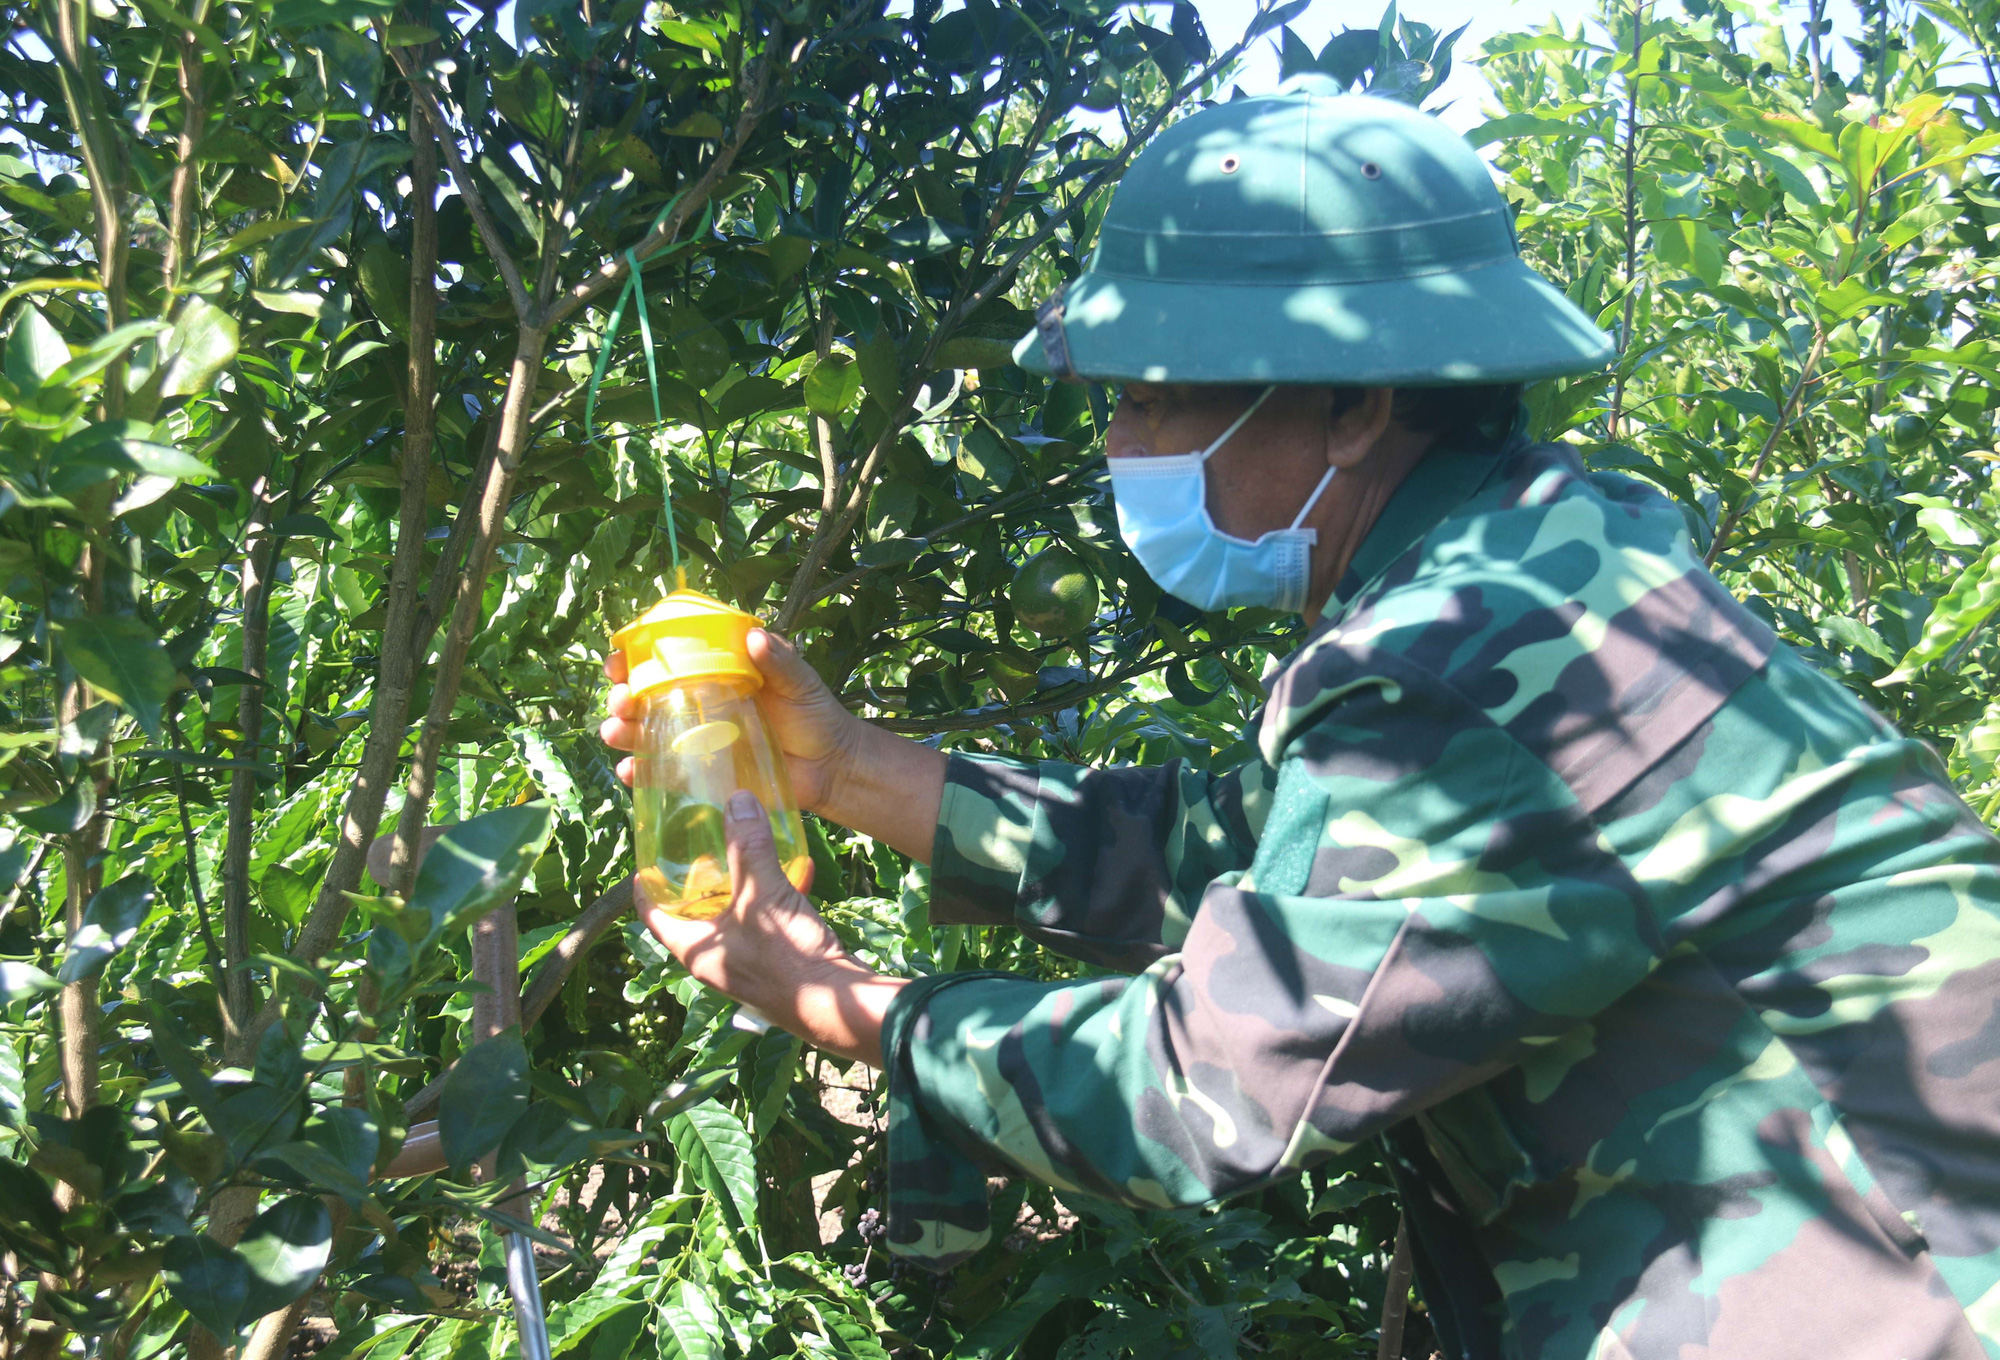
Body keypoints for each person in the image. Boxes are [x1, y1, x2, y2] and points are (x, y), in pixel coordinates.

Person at [601, 86, 2000, 1359]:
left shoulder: (1454, 656)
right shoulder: (1546, 552)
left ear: (1350, 406)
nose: (1116, 448)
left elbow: (1205, 1089)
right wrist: (851, 769)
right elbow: (1272, 853)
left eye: (1152, 402)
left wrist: (848, 1005)